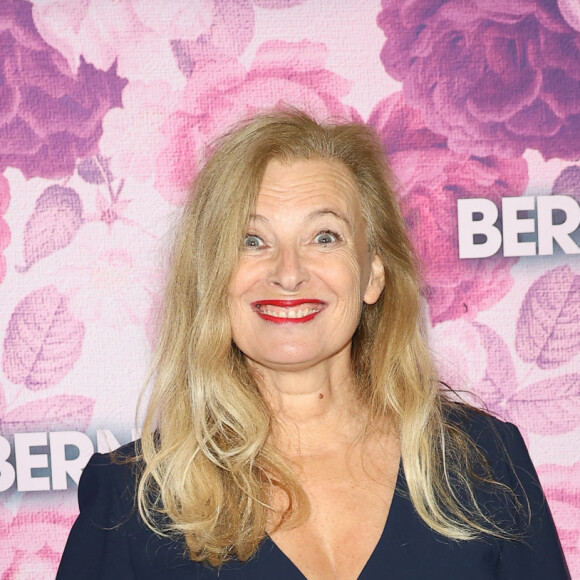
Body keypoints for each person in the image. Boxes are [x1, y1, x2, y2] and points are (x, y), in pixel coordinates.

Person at [57, 109, 570, 579]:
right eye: (251, 240)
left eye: (324, 237)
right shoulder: (130, 502)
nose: (288, 272)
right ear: (211, 278)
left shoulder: (484, 463)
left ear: (372, 274)